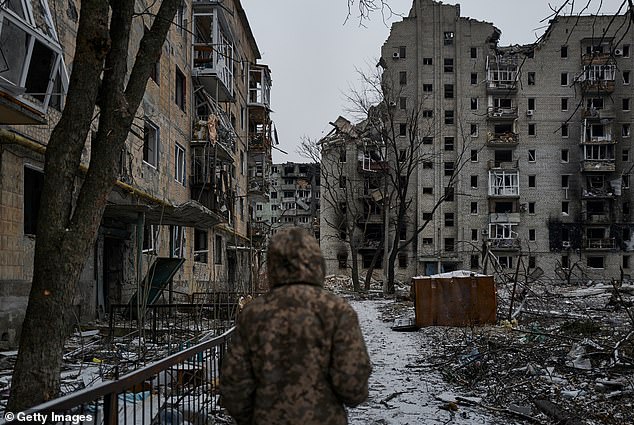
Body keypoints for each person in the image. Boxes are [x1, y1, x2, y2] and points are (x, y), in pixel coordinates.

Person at [220, 227, 372, 425]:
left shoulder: (253, 314)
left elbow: (234, 387)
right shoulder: (337, 311)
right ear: (317, 262)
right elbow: (354, 386)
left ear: (273, 265)